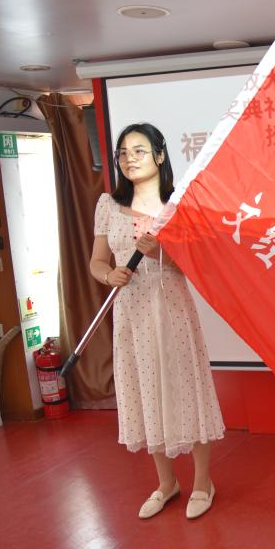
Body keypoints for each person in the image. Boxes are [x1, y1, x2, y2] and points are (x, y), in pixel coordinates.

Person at [89, 122, 225, 520]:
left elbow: (197, 267)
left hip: (172, 311)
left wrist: (159, 254)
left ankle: (203, 482)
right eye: (123, 152)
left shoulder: (178, 206)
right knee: (145, 392)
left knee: (187, 391)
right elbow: (97, 261)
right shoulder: (107, 205)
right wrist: (108, 275)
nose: (129, 158)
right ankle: (167, 483)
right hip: (130, 313)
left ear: (160, 156)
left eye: (139, 151)